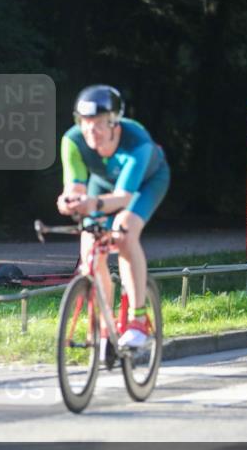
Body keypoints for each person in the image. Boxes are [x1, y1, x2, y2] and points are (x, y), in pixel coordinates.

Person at [56, 85, 171, 350]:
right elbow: (75, 188)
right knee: (89, 252)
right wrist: (69, 201)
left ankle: (138, 319)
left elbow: (123, 198)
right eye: (83, 123)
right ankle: (104, 325)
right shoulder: (71, 141)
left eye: (97, 124)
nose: (89, 131)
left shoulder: (137, 141)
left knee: (124, 230)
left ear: (114, 124)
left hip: (145, 184)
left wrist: (91, 203)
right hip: (103, 184)